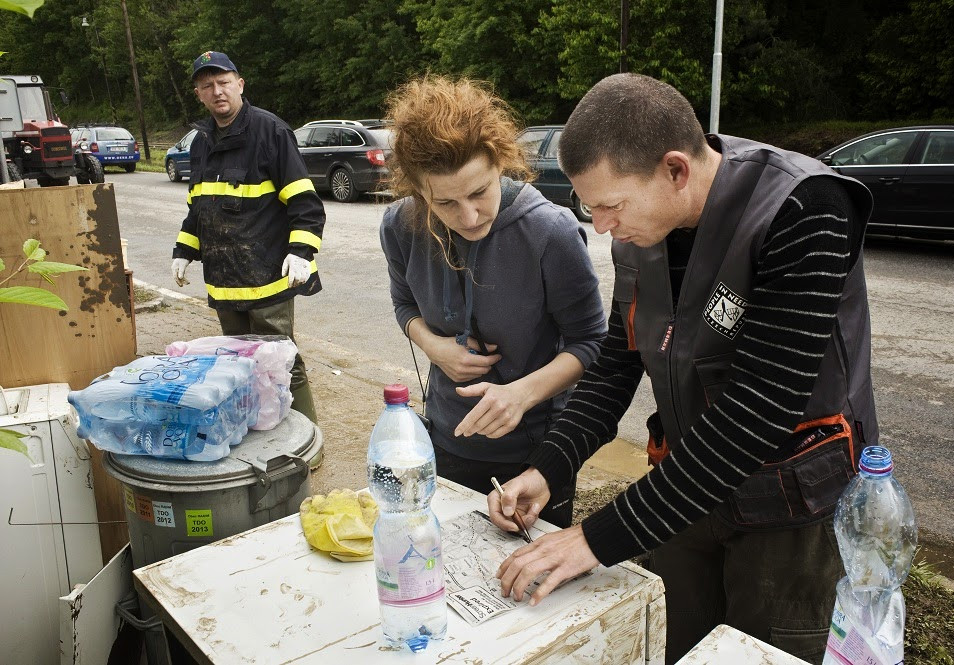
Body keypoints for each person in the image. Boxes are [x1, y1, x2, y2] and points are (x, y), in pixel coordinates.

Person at [488, 73, 878, 664]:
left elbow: (759, 412)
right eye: (589, 207)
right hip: (689, 491)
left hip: (790, 507)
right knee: (671, 639)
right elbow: (619, 363)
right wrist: (550, 466)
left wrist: (595, 538)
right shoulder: (640, 227)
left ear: (675, 169)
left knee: (758, 653)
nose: (599, 227)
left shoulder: (804, 209)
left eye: (609, 207)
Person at [379, 76, 607, 527]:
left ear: (500, 162)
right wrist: (435, 347)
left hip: (537, 453)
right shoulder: (400, 226)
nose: (468, 217)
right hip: (446, 440)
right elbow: (404, 305)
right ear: (418, 192)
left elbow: (592, 342)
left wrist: (522, 395)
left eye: (480, 192)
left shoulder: (550, 232)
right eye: (444, 203)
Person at [171, 51, 325, 442]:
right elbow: (200, 209)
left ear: (240, 84)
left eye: (224, 82)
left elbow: (305, 203)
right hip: (225, 283)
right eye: (208, 86)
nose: (217, 91)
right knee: (238, 366)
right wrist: (184, 250)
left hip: (270, 279)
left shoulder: (270, 132)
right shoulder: (201, 143)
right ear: (199, 94)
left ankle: (305, 441)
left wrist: (303, 252)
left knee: (282, 364)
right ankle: (262, 437)